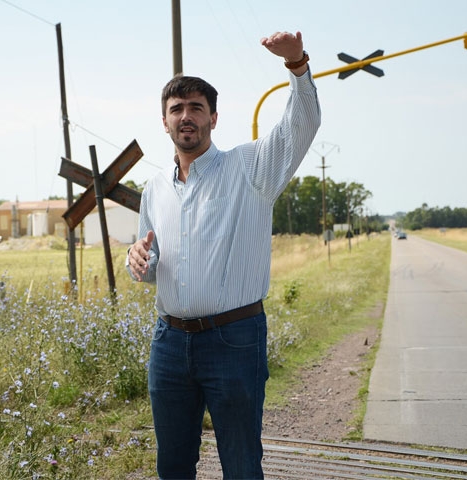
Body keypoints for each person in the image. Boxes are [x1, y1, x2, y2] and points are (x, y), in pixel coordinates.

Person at [126, 31, 321, 479]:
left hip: (234, 340)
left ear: (213, 117)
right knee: (172, 465)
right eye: (177, 109)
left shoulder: (251, 166)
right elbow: (151, 264)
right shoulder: (154, 189)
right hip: (169, 343)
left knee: (240, 463)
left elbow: (301, 125)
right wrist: (138, 259)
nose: (186, 116)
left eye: (196, 107)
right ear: (165, 122)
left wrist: (296, 65)